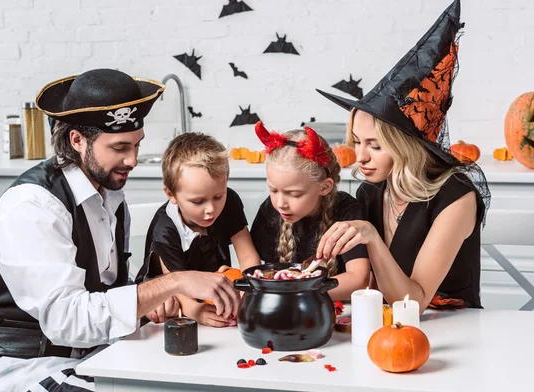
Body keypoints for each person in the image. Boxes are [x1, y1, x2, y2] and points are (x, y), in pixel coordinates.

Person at [0, 68, 240, 392]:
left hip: (96, 356)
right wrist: (173, 282)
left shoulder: (109, 196)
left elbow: (101, 292)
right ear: (77, 140)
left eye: (137, 145)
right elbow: (67, 320)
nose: (133, 159)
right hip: (29, 372)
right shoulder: (33, 206)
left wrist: (151, 301)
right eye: (119, 147)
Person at [315, 0, 489, 312]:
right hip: (384, 326)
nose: (361, 157)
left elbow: (414, 302)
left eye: (375, 145)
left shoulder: (456, 197)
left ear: (404, 146)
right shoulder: (371, 191)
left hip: (453, 330)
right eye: (357, 142)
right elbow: (368, 286)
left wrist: (370, 237)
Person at [141, 132, 261, 327]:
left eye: (218, 196)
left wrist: (247, 292)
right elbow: (175, 284)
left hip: (216, 296)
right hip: (171, 308)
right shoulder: (165, 228)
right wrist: (196, 311)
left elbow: (248, 257)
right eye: (198, 201)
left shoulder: (229, 202)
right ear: (171, 194)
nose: (210, 210)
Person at [250, 122, 370, 300]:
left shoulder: (348, 212)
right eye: (273, 190)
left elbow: (359, 279)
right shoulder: (270, 209)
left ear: (325, 187)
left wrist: (297, 293)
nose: (280, 203)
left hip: (337, 309)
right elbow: (269, 271)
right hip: (288, 308)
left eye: (294, 194)